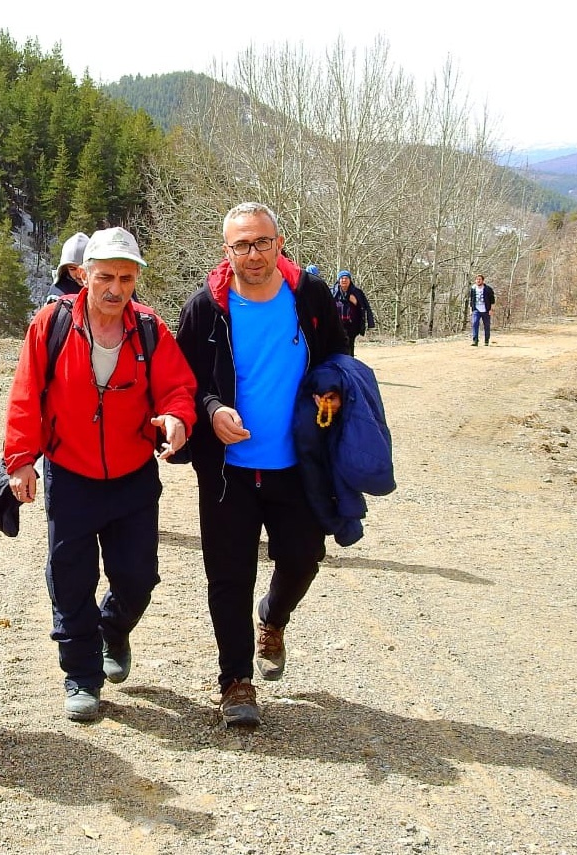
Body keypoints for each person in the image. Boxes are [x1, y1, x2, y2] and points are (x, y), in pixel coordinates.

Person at [2, 226, 197, 722]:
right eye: (105, 276)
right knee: (70, 580)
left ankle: (113, 630)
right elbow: (26, 394)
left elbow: (177, 387)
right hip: (70, 472)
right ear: (83, 275)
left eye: (126, 278)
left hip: (133, 475)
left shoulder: (150, 328)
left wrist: (176, 417)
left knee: (138, 578)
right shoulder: (52, 324)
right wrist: (21, 459)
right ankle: (82, 675)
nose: (116, 288)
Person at [175, 203, 349, 727]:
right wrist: (211, 409)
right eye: (241, 246)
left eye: (262, 242)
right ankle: (235, 682)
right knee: (228, 575)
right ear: (226, 251)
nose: (253, 254)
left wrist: (333, 390)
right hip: (228, 470)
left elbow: (337, 357)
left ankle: (273, 617)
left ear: (279, 242)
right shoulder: (205, 308)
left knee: (303, 557)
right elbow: (185, 383)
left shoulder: (310, 296)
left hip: (297, 464)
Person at [331, 270, 375, 356]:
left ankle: (350, 364)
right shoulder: (332, 292)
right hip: (336, 325)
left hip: (352, 325)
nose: (344, 280)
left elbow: (366, 307)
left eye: (346, 278)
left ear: (350, 280)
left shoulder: (357, 292)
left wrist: (356, 303)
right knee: (337, 347)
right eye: (342, 278)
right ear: (338, 280)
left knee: (350, 346)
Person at [45, 232, 89, 303]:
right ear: (65, 268)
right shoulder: (58, 295)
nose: (79, 275)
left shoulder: (101, 286)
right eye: (72, 269)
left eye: (83, 268)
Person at [468, 274, 496, 346]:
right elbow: (471, 300)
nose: (478, 280)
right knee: (475, 323)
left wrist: (491, 310)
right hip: (476, 309)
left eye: (480, 279)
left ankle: (486, 340)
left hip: (486, 310)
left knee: (486, 325)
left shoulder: (488, 289)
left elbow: (492, 300)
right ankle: (475, 341)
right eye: (477, 279)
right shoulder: (473, 289)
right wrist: (471, 309)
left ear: (483, 280)